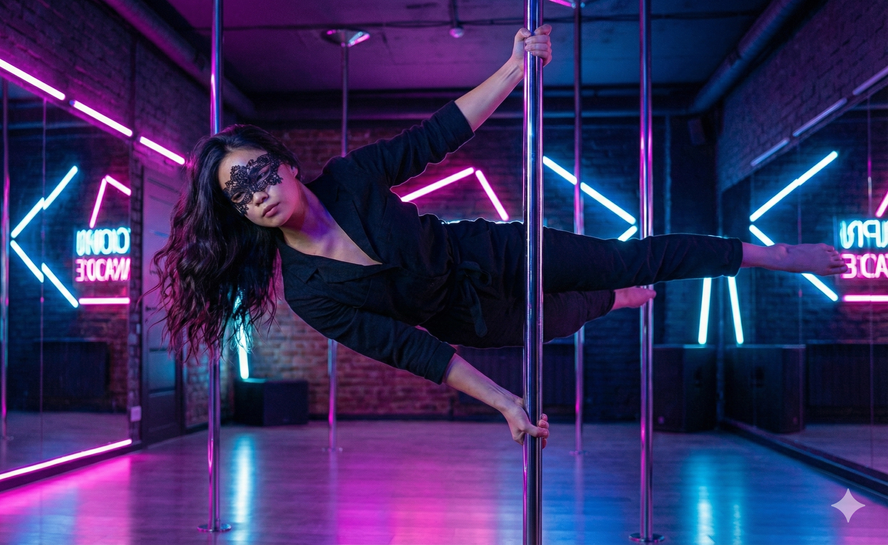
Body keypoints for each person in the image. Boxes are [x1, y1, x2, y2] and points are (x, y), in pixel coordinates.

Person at [153, 25, 846, 449]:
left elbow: (436, 136)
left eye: (260, 175)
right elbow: (414, 349)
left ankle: (766, 255)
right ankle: (615, 300)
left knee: (631, 255)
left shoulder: (347, 178)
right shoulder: (308, 292)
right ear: (241, 217)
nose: (261, 196)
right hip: (476, 317)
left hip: (488, 249)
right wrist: (507, 404)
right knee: (573, 311)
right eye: (241, 196)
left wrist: (516, 66)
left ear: (286, 165)